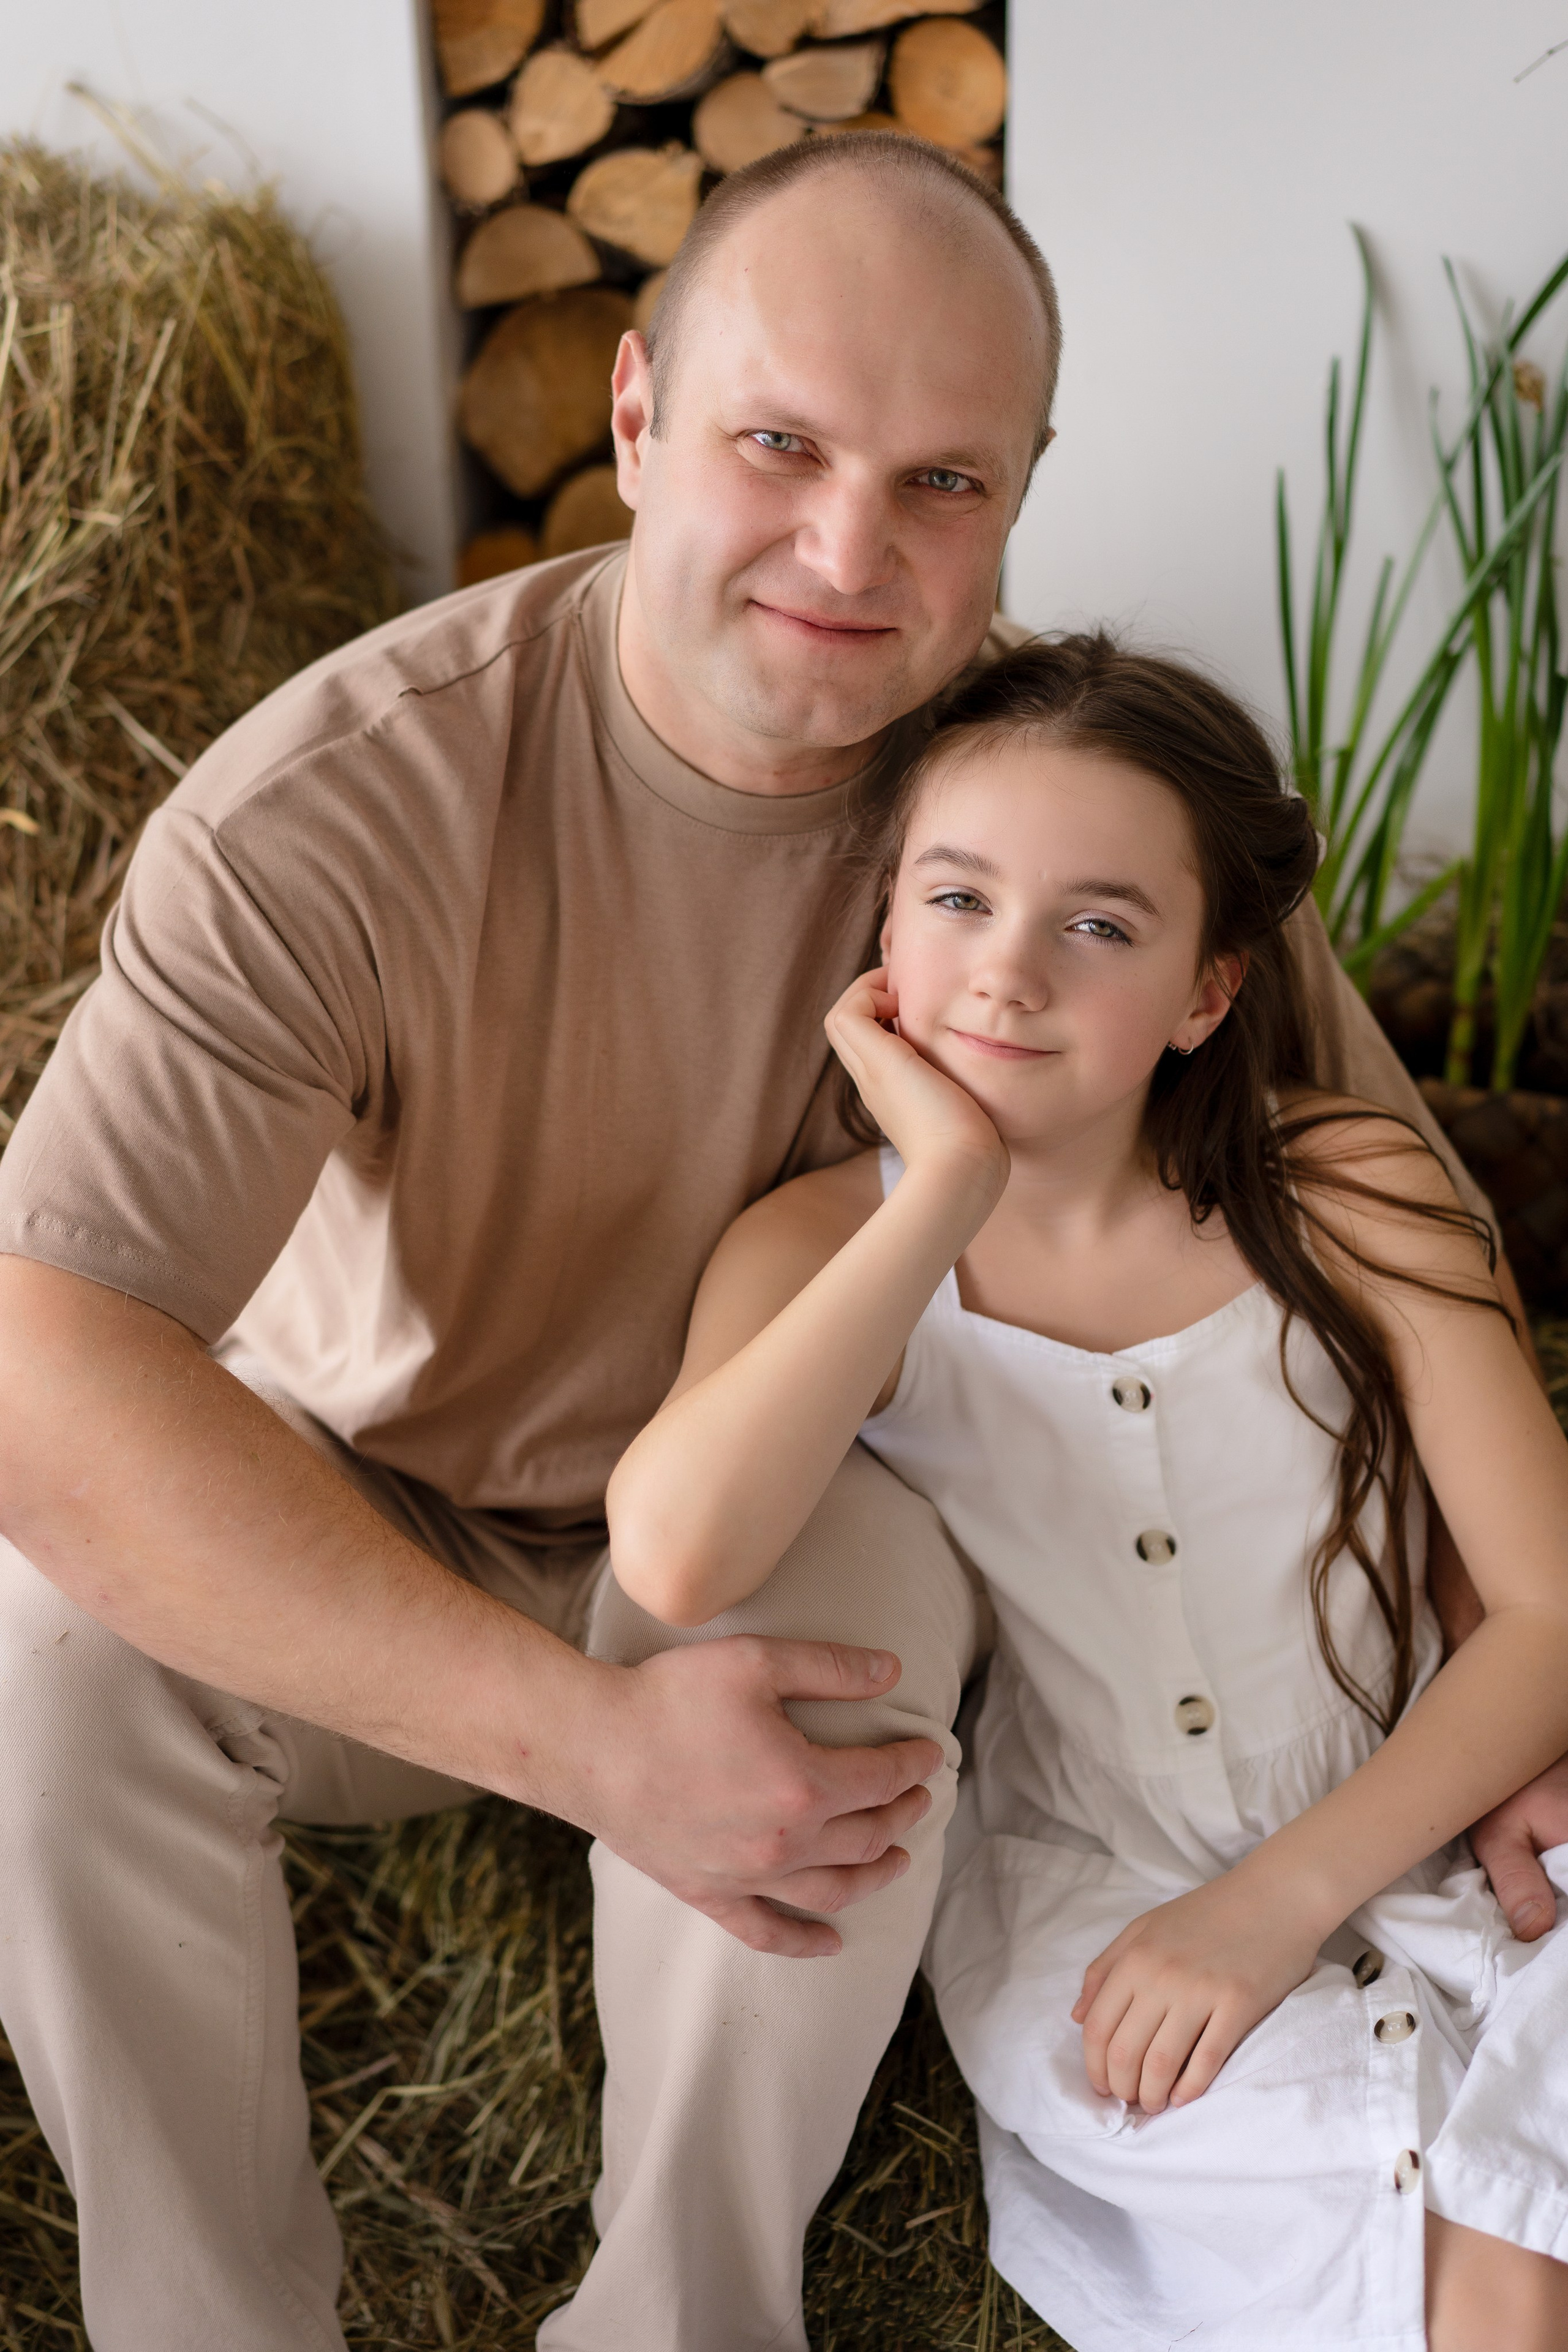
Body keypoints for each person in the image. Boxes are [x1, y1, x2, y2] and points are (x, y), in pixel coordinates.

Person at [0, 134, 1560, 2352]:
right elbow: (44, 1365)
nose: (849, 548)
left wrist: (1506, 1703)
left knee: (837, 1602)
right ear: (634, 416)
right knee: (41, 1644)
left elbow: (1398, 1261)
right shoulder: (334, 812)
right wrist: (586, 1744)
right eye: (779, 446)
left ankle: (682, 2320)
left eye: (943, 482)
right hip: (381, 1500)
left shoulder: (1059, 806)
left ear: (1018, 496)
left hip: (811, 1511)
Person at [606, 632, 1568, 2351]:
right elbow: (680, 1555)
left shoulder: (1346, 1189)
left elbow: (1553, 1611)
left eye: (1101, 926)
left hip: (1435, 1793)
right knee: (1444, 2260)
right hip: (1100, 1893)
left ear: (1208, 991)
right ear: (885, 927)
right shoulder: (820, 1248)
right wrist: (943, 1187)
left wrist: (1283, 1899)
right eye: (957, 899)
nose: (1008, 973)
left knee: (1520, 2234)